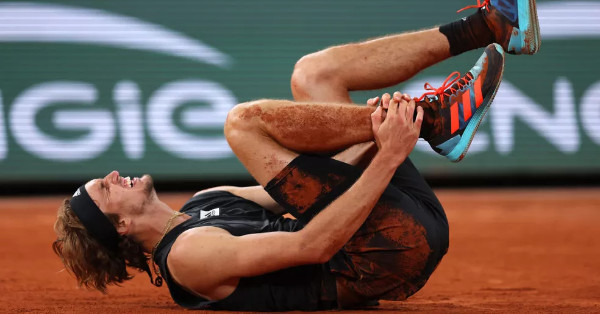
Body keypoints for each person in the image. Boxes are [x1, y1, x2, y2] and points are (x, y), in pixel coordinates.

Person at [53, 0, 540, 311]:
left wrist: (386, 136)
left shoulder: (205, 201)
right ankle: (434, 119)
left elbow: (317, 186)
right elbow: (313, 246)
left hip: (382, 224)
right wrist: (389, 156)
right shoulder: (186, 255)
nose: (113, 175)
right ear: (118, 227)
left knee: (314, 75)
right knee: (241, 124)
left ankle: (491, 25)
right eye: (103, 189)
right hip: (380, 257)